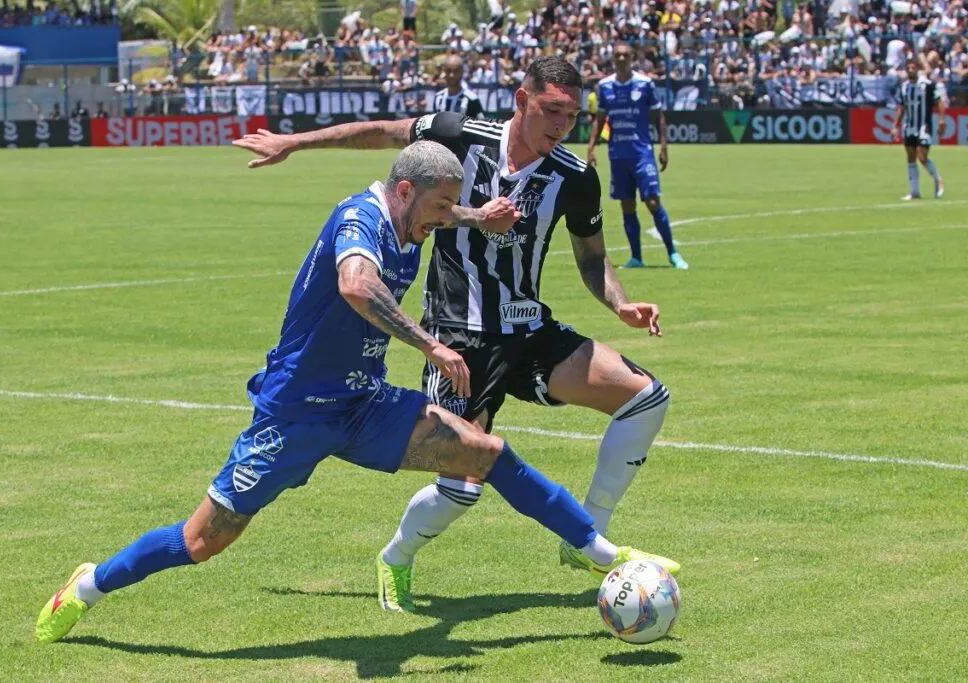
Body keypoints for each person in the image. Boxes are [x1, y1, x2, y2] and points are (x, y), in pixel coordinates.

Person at [34, 142, 654, 640]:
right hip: (295, 415)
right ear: (405, 192)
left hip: (363, 403)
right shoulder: (359, 220)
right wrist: (431, 346)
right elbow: (358, 286)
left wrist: (476, 215)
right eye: (441, 208)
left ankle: (602, 553)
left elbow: (445, 213)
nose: (445, 220)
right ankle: (87, 587)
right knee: (202, 542)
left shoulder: (413, 209)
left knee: (482, 453)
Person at [233, 57, 680, 611]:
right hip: (459, 337)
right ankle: (396, 557)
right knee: (461, 489)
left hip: (528, 328)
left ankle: (588, 539)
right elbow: (382, 134)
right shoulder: (458, 136)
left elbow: (592, 259)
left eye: (572, 115)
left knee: (645, 398)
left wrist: (620, 302)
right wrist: (296, 142)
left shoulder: (575, 177)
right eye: (552, 110)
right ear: (522, 100)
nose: (563, 125)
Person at [588, 43, 688, 270]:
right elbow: (600, 119)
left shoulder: (645, 83)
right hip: (617, 154)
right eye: (617, 55)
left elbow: (658, 116)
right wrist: (591, 146)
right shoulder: (604, 86)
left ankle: (673, 253)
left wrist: (664, 147)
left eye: (625, 55)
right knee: (627, 205)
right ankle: (636, 258)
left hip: (642, 153)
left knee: (653, 201)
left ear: (632, 57)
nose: (621, 58)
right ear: (613, 58)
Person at [891, 56, 948, 200]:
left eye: (913, 68)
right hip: (909, 126)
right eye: (908, 68)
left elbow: (939, 102)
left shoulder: (927, 85)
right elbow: (901, 107)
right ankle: (914, 192)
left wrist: (942, 120)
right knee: (910, 158)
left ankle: (938, 179)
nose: (910, 70)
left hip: (924, 126)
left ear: (918, 69)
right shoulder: (904, 87)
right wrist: (894, 126)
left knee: (922, 156)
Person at [433, 54, 485, 119]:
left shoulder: (471, 99)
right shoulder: (438, 97)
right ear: (444, 72)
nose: (452, 75)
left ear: (462, 72)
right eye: (448, 71)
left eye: (456, 71)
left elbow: (481, 123)